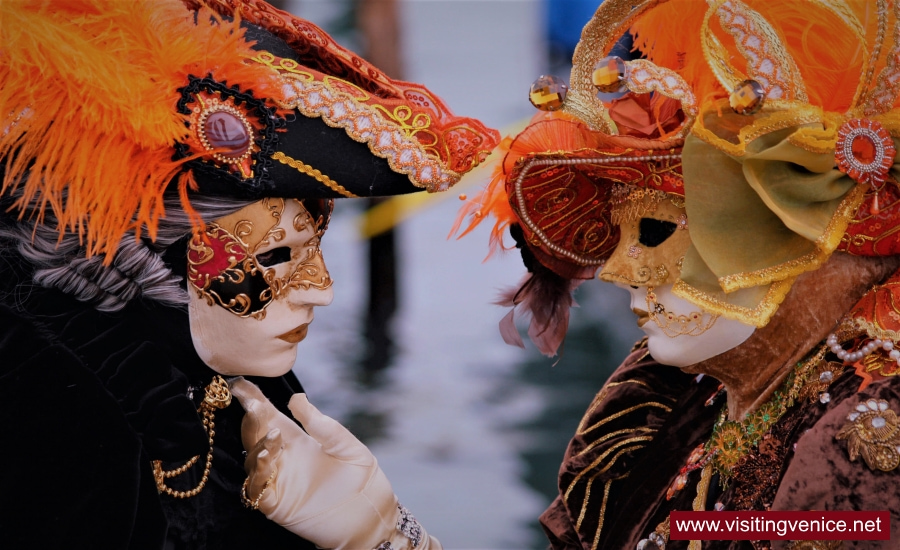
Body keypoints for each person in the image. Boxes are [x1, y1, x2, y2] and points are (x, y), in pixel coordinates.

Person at [0, 0, 498, 548]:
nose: (323, 291)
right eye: (278, 257)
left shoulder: (241, 390)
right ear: (148, 256)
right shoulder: (54, 407)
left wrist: (382, 532)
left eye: (316, 249)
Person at [456, 0, 900, 548]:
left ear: (808, 236)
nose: (617, 273)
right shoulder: (666, 395)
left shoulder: (864, 448)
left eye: (660, 231)